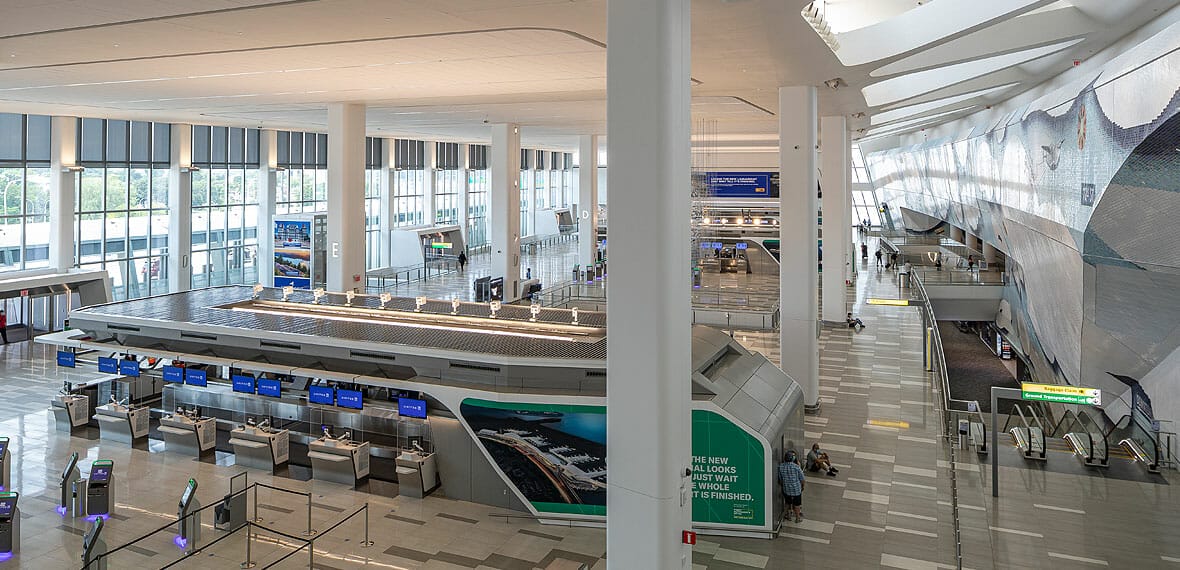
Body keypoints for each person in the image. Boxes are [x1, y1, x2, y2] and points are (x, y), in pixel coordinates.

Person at [778, 450, 806, 523]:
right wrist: (803, 486)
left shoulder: (781, 466)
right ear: (792, 458)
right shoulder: (796, 467)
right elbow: (802, 479)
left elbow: (780, 479)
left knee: (787, 503)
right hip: (796, 489)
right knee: (797, 504)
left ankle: (786, 515)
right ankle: (797, 518)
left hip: (786, 489)